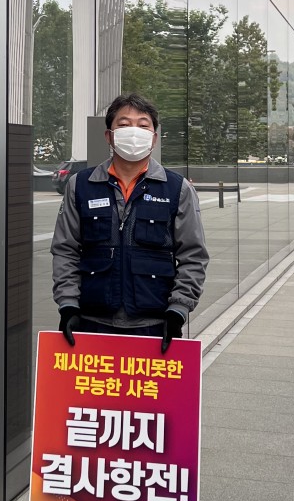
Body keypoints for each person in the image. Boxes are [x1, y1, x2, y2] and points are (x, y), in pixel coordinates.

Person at [51, 92, 209, 353]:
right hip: (91, 322)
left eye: (143, 125)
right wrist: (68, 305)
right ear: (109, 136)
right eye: (124, 125)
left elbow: (193, 255)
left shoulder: (177, 189)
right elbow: (65, 250)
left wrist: (178, 309)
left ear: (154, 138)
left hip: (155, 325)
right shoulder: (80, 186)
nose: (134, 132)